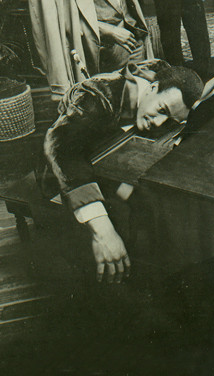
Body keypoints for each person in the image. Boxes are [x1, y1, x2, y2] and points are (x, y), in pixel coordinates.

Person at [38, 59, 204, 283]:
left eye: (170, 120)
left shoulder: (163, 80)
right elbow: (61, 150)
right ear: (153, 88)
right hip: (66, 173)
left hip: (109, 161)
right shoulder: (97, 97)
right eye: (161, 110)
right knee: (122, 220)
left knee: (159, 204)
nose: (159, 123)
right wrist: (103, 229)